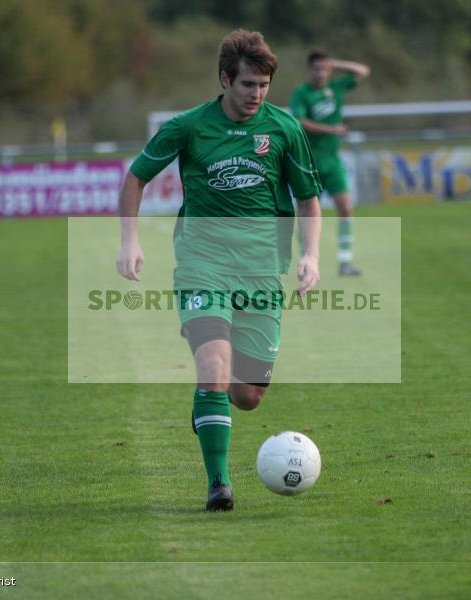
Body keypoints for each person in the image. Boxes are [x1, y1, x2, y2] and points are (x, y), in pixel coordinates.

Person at [116, 30, 323, 512]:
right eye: (248, 84)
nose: (256, 94)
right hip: (201, 264)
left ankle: (210, 407)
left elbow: (309, 199)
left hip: (262, 271)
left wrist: (310, 255)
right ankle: (219, 484)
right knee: (212, 368)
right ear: (224, 79)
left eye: (265, 85)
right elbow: (135, 178)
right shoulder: (187, 127)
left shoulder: (284, 130)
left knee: (247, 396)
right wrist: (130, 239)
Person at [290, 51, 370, 276]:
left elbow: (363, 71)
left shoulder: (336, 87)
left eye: (325, 68)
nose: (321, 73)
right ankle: (305, 261)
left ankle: (345, 263)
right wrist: (331, 129)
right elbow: (300, 122)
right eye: (317, 68)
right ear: (309, 70)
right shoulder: (302, 93)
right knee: (306, 214)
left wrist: (336, 62)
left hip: (333, 162)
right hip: (309, 162)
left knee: (345, 209)